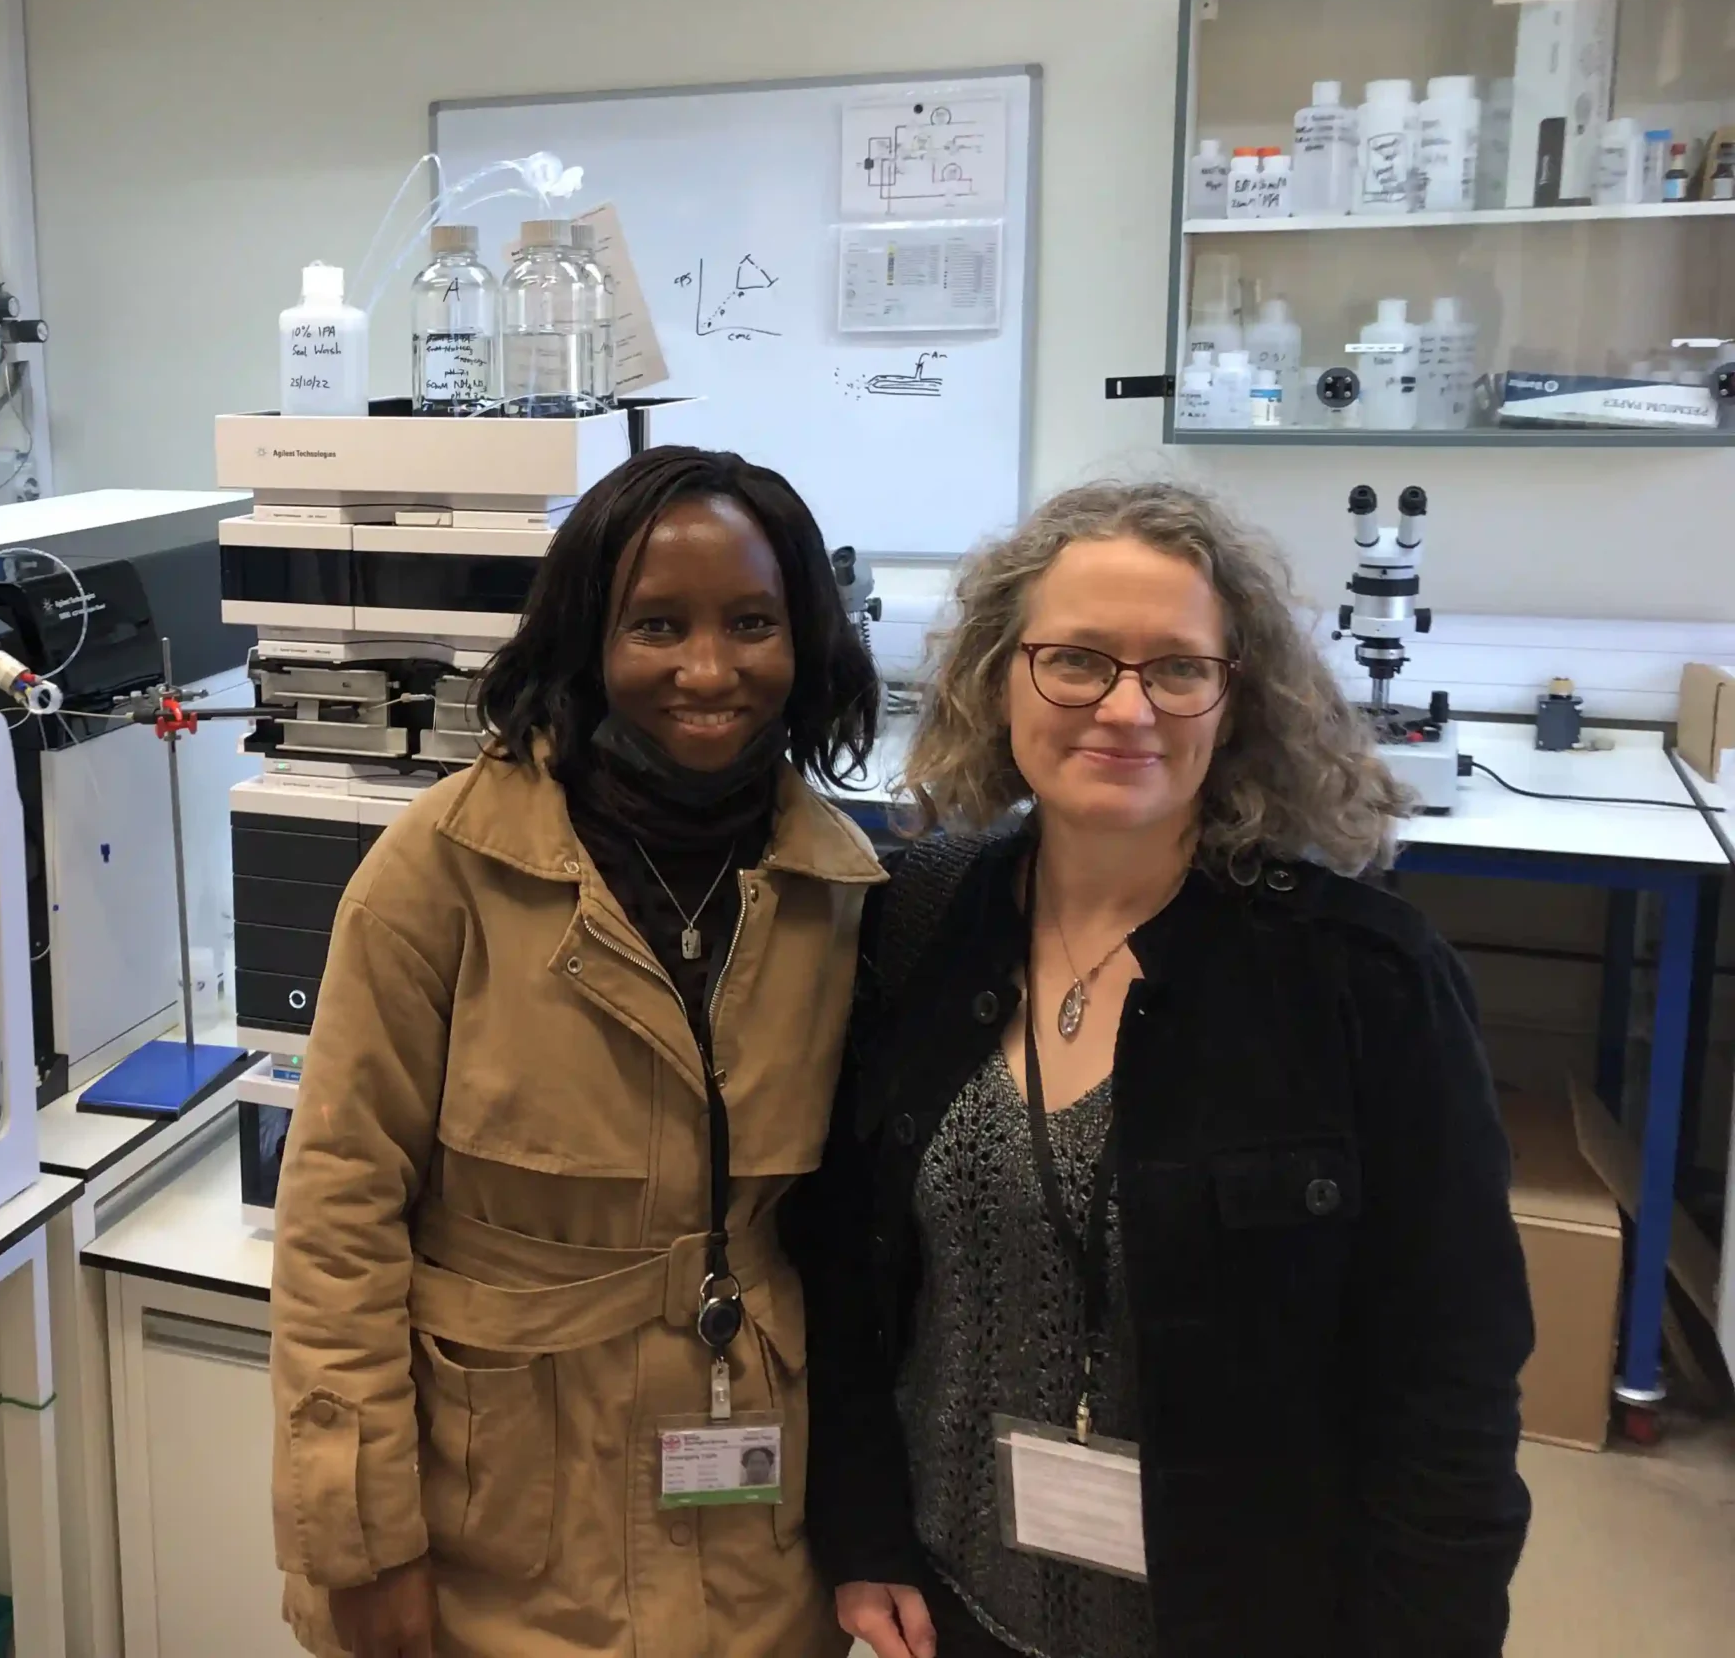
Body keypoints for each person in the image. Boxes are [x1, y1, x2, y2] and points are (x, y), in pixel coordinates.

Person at [788, 480, 1533, 1658]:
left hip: (1240, 1615)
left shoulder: (1362, 980)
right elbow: (848, 1273)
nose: (1124, 708)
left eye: (1177, 668)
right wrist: (867, 1532)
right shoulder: (923, 922)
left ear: (1236, 701)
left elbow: (1450, 1381)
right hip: (957, 1599)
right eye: (1075, 659)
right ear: (998, 677)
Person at [268, 445, 886, 1658]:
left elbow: (866, 1252)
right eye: (657, 624)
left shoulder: (845, 892)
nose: (708, 669)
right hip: (494, 1531)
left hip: (755, 1531)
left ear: (804, 640)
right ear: (584, 638)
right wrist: (360, 1538)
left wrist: (873, 1534)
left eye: (751, 623)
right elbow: (337, 1225)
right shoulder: (438, 874)